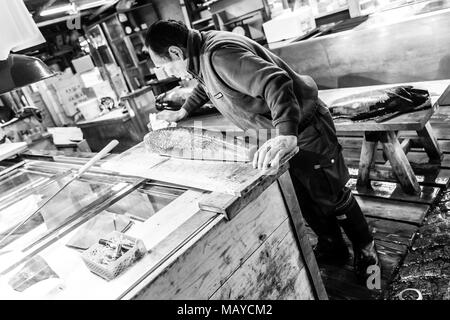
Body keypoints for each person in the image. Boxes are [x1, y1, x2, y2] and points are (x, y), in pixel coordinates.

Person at [145, 20, 379, 282]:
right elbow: (205, 86)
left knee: (331, 193)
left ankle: (367, 249)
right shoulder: (200, 55)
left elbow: (275, 82)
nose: (166, 72)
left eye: (163, 65)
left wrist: (287, 134)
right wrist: (184, 111)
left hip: (303, 129)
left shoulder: (219, 54)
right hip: (279, 134)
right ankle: (332, 246)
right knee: (305, 196)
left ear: (176, 53)